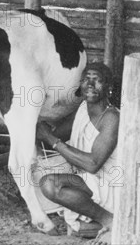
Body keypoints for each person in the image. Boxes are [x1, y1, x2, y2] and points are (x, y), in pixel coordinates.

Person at [36, 62, 120, 244]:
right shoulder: (83, 109)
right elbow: (53, 137)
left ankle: (110, 220)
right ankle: (92, 219)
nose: (90, 85)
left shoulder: (111, 118)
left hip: (111, 182)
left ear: (109, 88)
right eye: (86, 80)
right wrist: (39, 128)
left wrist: (50, 139)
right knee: (39, 169)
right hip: (89, 178)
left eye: (97, 80)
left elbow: (93, 164)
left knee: (50, 185)